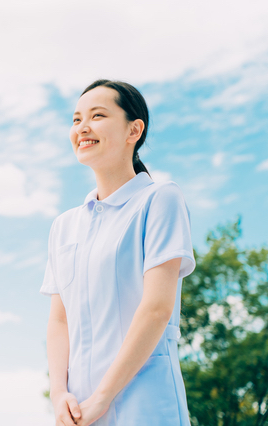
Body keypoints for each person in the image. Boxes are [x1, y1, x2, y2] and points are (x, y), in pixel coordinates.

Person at [40, 79, 196, 426]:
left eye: (97, 116)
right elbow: (59, 320)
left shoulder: (160, 200)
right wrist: (59, 393)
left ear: (134, 130)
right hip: (80, 410)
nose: (83, 127)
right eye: (76, 119)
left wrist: (103, 398)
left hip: (147, 406)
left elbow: (156, 309)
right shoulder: (64, 226)